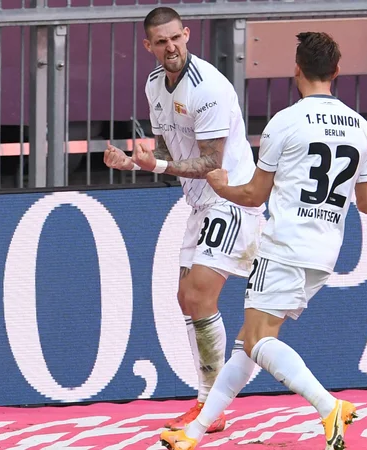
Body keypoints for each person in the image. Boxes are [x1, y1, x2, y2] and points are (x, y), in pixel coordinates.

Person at [159, 31, 367, 450]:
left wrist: (221, 186)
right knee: (249, 343)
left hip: (283, 245)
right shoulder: (360, 127)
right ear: (336, 72)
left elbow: (254, 195)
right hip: (325, 251)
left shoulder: (285, 122)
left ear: (296, 69)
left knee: (259, 341)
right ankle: (194, 432)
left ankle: (328, 405)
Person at [103, 6, 265, 434]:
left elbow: (211, 161)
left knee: (198, 292)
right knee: (187, 298)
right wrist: (135, 162)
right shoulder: (154, 84)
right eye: (161, 41)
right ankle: (209, 401)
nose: (170, 47)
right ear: (148, 46)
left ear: (187, 35)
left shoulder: (207, 87)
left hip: (232, 197)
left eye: (176, 38)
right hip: (200, 201)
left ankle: (211, 404)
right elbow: (169, 155)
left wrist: (152, 166)